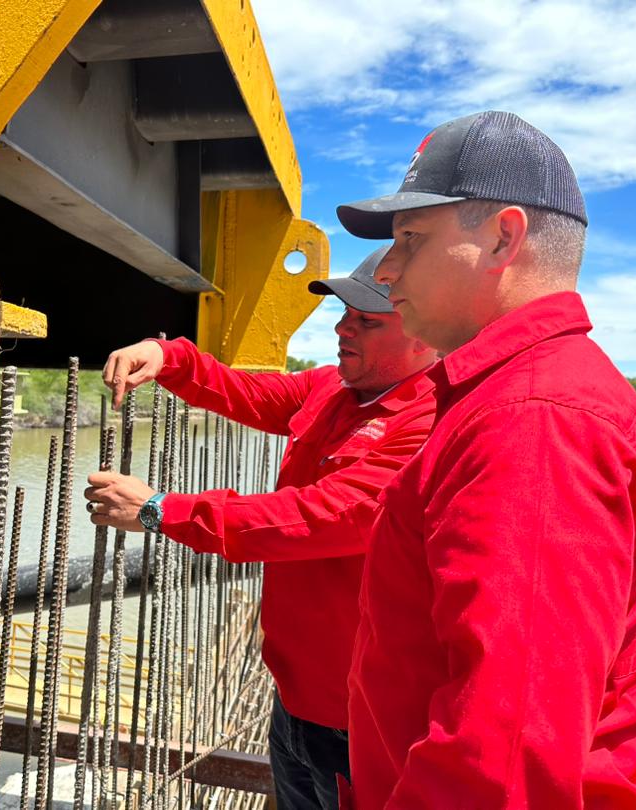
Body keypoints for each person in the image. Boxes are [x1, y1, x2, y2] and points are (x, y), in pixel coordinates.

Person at [336, 110, 636, 808]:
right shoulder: (515, 394)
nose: (386, 267)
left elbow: (500, 760)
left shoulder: (533, 421)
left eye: (411, 237)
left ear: (505, 236)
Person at [83, 247, 437, 809]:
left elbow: (322, 515)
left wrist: (162, 510)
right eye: (345, 312)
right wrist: (167, 355)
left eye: (367, 321)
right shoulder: (333, 390)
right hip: (296, 695)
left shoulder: (430, 423)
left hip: (364, 720)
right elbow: (243, 392)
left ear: (425, 330)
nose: (343, 327)